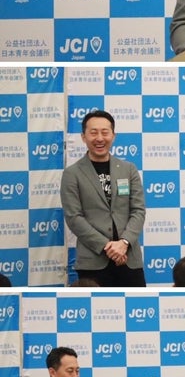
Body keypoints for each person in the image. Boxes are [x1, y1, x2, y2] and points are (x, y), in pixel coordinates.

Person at [60, 110, 146, 287]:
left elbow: (138, 210)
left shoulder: (128, 169)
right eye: (93, 133)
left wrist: (124, 243)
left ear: (113, 136)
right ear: (83, 137)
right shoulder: (72, 174)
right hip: (93, 262)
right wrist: (108, 246)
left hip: (128, 258)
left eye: (105, 132)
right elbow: (74, 217)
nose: (99, 138)